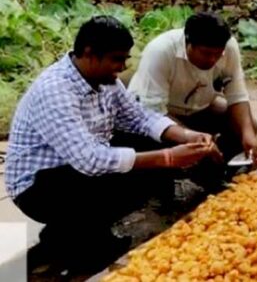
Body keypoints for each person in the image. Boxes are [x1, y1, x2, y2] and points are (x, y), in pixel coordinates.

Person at [5, 16, 218, 272]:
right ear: (89, 53)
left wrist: (185, 136)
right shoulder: (56, 91)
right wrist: (169, 157)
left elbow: (138, 117)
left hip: (76, 171)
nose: (121, 67)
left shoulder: (107, 82)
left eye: (125, 59)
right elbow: (90, 160)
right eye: (116, 59)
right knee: (133, 175)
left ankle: (69, 234)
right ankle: (69, 241)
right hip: (39, 186)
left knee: (148, 149)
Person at [128, 12, 257, 177]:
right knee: (188, 149)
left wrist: (248, 135)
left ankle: (224, 168)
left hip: (201, 107)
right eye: (206, 53)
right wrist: (192, 138)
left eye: (218, 53)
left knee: (249, 126)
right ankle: (192, 173)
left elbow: (237, 94)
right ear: (188, 43)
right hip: (162, 113)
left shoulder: (229, 47)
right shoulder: (161, 51)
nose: (213, 59)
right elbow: (153, 112)